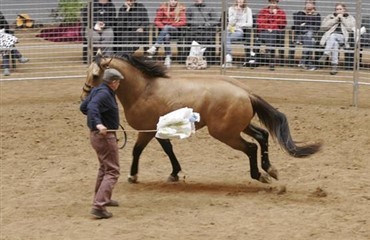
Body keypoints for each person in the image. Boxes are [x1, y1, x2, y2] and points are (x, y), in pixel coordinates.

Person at [80, 69, 124, 219]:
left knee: (105, 168)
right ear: (113, 82)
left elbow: (83, 107)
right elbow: (92, 108)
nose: (119, 84)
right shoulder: (104, 94)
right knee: (113, 170)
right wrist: (99, 124)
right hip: (105, 137)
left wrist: (100, 118)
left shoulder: (98, 89)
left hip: (97, 137)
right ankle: (99, 206)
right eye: (118, 82)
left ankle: (102, 198)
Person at [146, 0, 187, 68]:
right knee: (166, 37)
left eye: (175, 0)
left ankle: (155, 46)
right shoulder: (163, 8)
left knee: (167, 28)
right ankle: (168, 57)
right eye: (172, 0)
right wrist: (164, 27)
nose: (173, 2)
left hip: (175, 31)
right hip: (165, 32)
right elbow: (157, 21)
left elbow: (183, 22)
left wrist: (172, 25)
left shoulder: (180, 9)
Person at [318, 2, 356, 75]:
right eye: (337, 9)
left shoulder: (350, 17)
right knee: (334, 43)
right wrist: (335, 19)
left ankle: (325, 54)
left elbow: (351, 29)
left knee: (333, 36)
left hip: (344, 38)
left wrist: (342, 18)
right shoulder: (330, 16)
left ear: (344, 10)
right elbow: (323, 27)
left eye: (340, 9)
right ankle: (334, 66)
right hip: (330, 40)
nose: (338, 11)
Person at [186, 0, 220, 65]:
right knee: (190, 36)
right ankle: (193, 59)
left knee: (208, 37)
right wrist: (194, 23)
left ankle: (208, 60)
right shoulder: (190, 8)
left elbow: (216, 20)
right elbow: (187, 20)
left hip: (206, 30)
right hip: (194, 30)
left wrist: (209, 24)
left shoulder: (210, 8)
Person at [256, 0, 287, 70]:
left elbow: (282, 25)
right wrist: (268, 28)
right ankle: (271, 59)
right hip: (264, 32)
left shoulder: (281, 12)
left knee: (272, 34)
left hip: (276, 33)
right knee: (270, 35)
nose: (273, 4)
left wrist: (276, 15)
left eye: (275, 3)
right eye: (272, 2)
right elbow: (260, 23)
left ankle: (269, 52)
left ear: (277, 3)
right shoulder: (263, 11)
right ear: (269, 3)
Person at [294, 0, 321, 71]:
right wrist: (308, 25)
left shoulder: (316, 14)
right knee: (310, 39)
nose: (309, 4)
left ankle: (303, 61)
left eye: (311, 3)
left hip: (312, 35)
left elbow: (317, 27)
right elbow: (297, 26)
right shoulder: (300, 13)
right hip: (301, 34)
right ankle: (308, 63)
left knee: (310, 37)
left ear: (314, 5)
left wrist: (305, 24)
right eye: (307, 3)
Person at [225, 0, 253, 67]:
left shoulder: (248, 10)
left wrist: (239, 25)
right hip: (229, 30)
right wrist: (236, 13)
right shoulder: (231, 9)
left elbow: (250, 24)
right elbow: (231, 22)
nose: (240, 1)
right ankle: (228, 58)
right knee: (226, 35)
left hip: (239, 31)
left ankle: (228, 57)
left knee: (226, 37)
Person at [0, 11, 29, 76]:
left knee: (6, 45)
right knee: (7, 45)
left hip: (3, 41)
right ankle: (19, 57)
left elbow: (7, 29)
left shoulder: (2, 20)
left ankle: (6, 68)